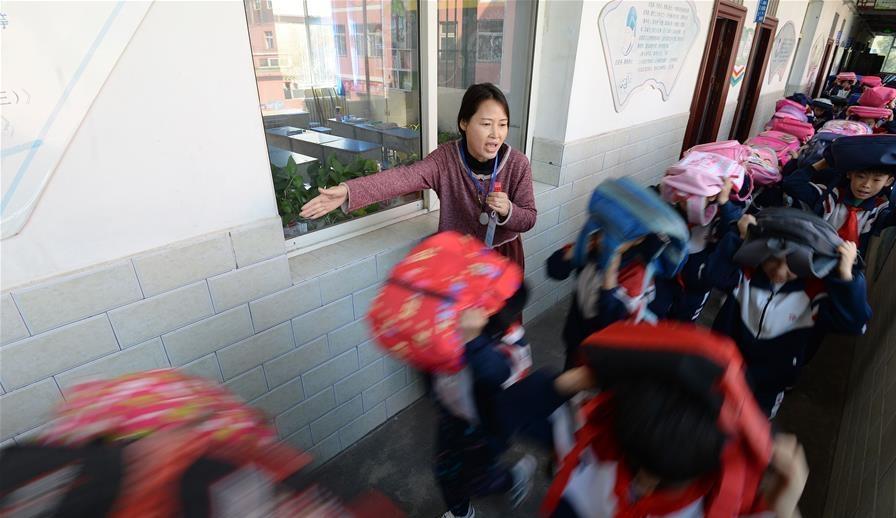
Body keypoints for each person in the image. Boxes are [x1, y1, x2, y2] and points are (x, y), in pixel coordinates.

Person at [541, 321, 810, 518]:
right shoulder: (598, 440)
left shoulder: (719, 501)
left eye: (665, 478)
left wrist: (786, 505)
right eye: (638, 466)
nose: (643, 484)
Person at [300, 83, 536, 269]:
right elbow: (403, 177)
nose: (496, 134)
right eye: (486, 124)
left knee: (502, 328)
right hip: (458, 259)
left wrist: (508, 210)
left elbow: (529, 218)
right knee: (459, 327)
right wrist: (348, 191)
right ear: (464, 122)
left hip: (503, 259)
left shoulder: (517, 164)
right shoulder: (446, 159)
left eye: (503, 125)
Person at [433, 286, 593, 518]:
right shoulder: (461, 330)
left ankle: (514, 477)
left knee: (477, 480)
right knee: (445, 471)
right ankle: (461, 513)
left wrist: (473, 340)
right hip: (451, 420)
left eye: (483, 302)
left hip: (484, 432)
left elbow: (496, 372)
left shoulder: (513, 343)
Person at [704, 209, 871, 417]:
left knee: (756, 422)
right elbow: (712, 275)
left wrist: (846, 276)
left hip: (771, 383)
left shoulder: (815, 292)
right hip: (723, 368)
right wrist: (737, 237)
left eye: (794, 263)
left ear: (812, 263)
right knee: (711, 412)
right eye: (772, 259)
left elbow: (855, 324)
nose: (779, 271)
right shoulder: (745, 274)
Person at [783, 135, 894, 255]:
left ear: (888, 182)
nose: (866, 185)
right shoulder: (830, 198)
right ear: (849, 174)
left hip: (849, 265)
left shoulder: (879, 211)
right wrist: (824, 163)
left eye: (876, 180)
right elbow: (791, 184)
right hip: (811, 256)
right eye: (860, 176)